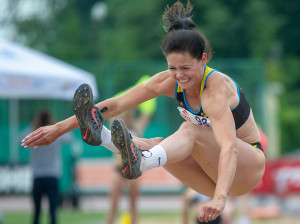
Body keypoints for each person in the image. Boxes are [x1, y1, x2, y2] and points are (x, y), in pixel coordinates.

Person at [22, 1, 266, 222]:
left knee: (188, 130)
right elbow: (116, 104)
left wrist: (220, 199)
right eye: (172, 68)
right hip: (212, 174)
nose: (179, 76)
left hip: (246, 167)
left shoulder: (214, 91)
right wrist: (58, 128)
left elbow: (229, 147)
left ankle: (142, 162)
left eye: (185, 68)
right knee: (157, 144)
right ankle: (105, 138)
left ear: (203, 60)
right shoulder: (169, 81)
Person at [107, 76, 157, 224]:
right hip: (118, 169)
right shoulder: (116, 127)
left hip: (134, 170)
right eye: (125, 115)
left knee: (133, 205)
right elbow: (113, 106)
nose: (127, 117)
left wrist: (145, 91)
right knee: (113, 205)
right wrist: (129, 94)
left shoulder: (137, 128)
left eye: (129, 115)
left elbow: (146, 115)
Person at [21, 110, 72, 224]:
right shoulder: (55, 135)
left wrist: (34, 126)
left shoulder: (32, 133)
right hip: (52, 175)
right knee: (53, 212)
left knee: (37, 212)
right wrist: (56, 126)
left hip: (38, 176)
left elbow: (21, 138)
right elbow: (69, 137)